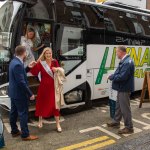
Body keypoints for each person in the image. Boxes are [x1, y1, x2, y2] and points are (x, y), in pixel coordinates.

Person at [8, 45, 38, 141]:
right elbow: (21, 82)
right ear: (24, 53)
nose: (26, 54)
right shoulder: (17, 64)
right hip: (19, 94)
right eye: (26, 52)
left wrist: (28, 67)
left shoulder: (14, 61)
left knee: (13, 112)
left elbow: (20, 73)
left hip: (13, 93)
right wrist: (30, 94)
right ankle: (25, 135)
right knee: (23, 113)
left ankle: (14, 131)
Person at [29, 47, 62, 132]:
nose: (48, 55)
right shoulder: (41, 63)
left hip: (53, 86)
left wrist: (57, 69)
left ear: (51, 54)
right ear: (44, 54)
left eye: (50, 53)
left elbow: (61, 72)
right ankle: (40, 120)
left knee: (55, 105)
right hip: (43, 86)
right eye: (46, 53)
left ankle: (58, 124)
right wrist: (31, 66)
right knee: (42, 103)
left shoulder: (55, 62)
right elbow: (34, 72)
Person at [107, 45, 135, 134]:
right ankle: (116, 122)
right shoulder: (125, 61)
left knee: (125, 108)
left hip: (124, 88)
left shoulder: (127, 62)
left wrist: (111, 77)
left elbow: (122, 77)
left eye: (117, 52)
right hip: (121, 88)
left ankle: (129, 127)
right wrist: (113, 76)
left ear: (121, 52)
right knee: (118, 106)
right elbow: (118, 73)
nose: (116, 54)